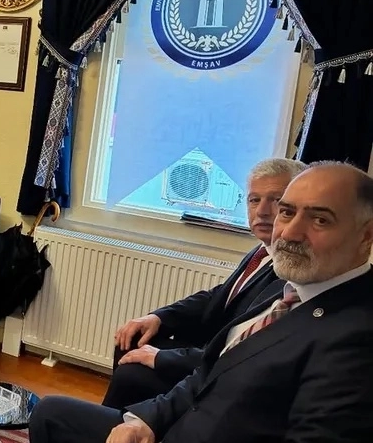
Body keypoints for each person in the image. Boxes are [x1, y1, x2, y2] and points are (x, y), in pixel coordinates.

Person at [0, 161, 373, 443]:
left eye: (320, 220)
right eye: (287, 212)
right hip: (175, 441)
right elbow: (209, 371)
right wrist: (147, 420)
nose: (290, 232)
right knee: (51, 414)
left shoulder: (355, 337)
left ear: (366, 235)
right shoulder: (290, 286)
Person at [102, 158, 305, 409]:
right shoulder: (263, 250)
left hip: (220, 371)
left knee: (131, 374)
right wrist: (159, 317)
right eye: (254, 200)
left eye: (276, 200)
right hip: (207, 349)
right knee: (132, 339)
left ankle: (123, 426)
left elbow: (243, 349)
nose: (262, 211)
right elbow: (221, 295)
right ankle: (117, 423)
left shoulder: (291, 270)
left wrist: (164, 358)